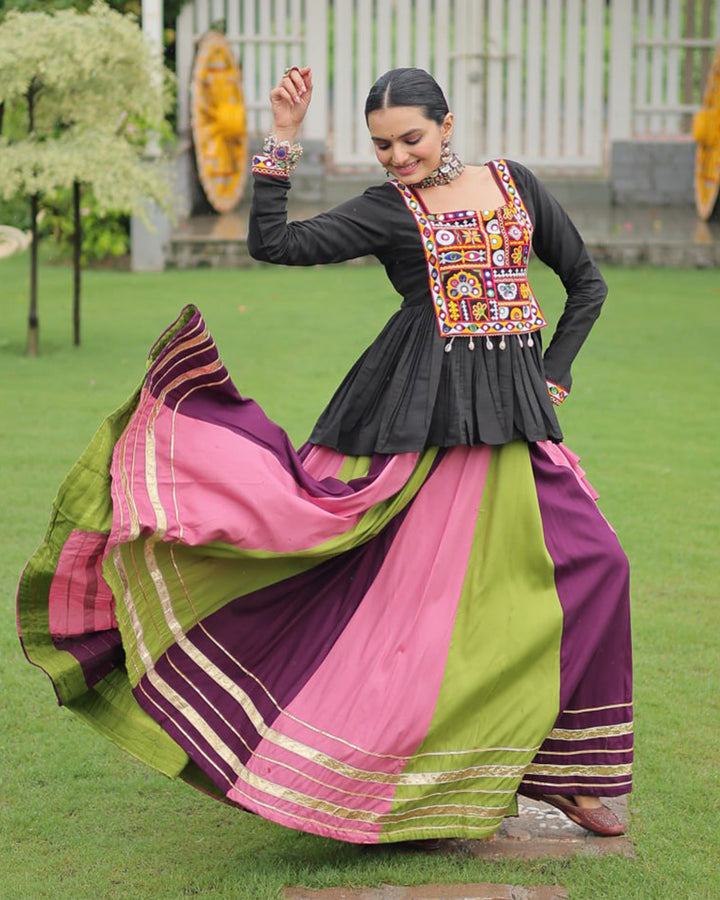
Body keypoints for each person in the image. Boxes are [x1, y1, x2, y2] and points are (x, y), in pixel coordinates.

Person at [17, 67, 632, 848]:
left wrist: (552, 372)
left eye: (412, 138)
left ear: (448, 124)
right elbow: (274, 243)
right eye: (382, 145)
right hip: (420, 421)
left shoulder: (514, 186)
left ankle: (573, 774)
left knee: (599, 564)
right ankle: (412, 775)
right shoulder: (388, 208)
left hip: (514, 420)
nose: (399, 156)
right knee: (420, 606)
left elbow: (586, 283)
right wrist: (281, 138)